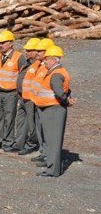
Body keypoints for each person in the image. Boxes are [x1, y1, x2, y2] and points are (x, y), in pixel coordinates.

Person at [31, 45, 74, 177]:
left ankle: (53, 170)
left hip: (53, 110)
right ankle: (53, 166)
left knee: (53, 141)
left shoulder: (56, 74)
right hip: (51, 109)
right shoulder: (57, 72)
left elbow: (60, 93)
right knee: (51, 140)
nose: (44, 62)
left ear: (54, 60)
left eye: (47, 59)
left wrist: (66, 101)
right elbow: (66, 90)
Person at [0, 30, 26, 152]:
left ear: (11, 43)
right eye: (0, 43)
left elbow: (23, 75)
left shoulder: (19, 57)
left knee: (9, 118)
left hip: (11, 93)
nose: (1, 45)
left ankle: (8, 142)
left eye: (3, 42)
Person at [14, 37, 41, 155]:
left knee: (32, 123)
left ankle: (32, 144)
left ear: (36, 51)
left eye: (29, 50)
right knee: (21, 121)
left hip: (31, 98)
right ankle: (19, 143)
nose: (26, 52)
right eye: (26, 50)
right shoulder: (27, 63)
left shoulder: (39, 65)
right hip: (22, 96)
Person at [30, 38, 55, 163]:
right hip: (38, 103)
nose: (37, 53)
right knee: (39, 130)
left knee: (47, 132)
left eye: (40, 51)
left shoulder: (50, 68)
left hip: (47, 105)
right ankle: (43, 152)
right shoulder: (39, 65)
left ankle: (49, 156)